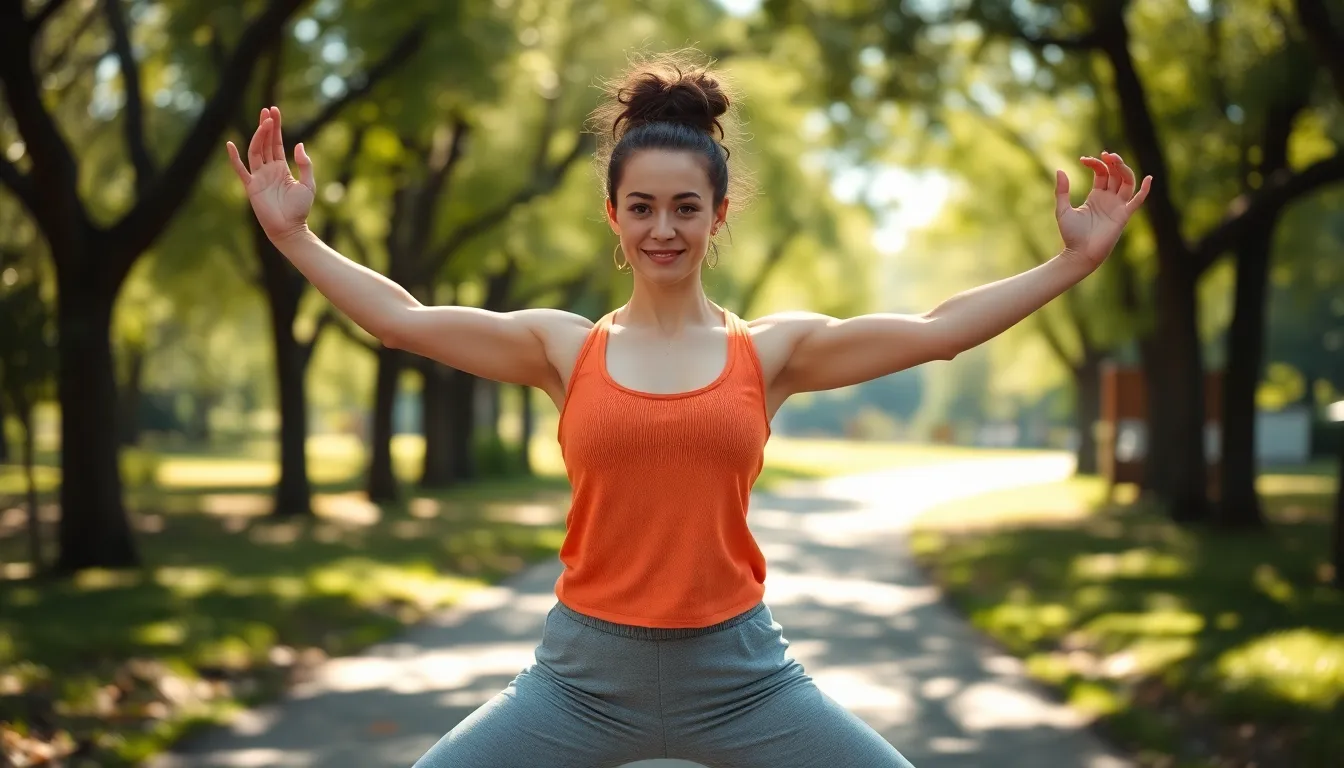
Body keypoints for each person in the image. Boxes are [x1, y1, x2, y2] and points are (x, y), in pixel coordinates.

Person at [226, 50, 1150, 768]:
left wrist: (1071, 262)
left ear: (717, 215)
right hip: (579, 681)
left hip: (740, 678)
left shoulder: (771, 352)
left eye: (683, 207)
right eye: (641, 208)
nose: (662, 227)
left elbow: (936, 328)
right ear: (614, 218)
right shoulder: (566, 346)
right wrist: (294, 234)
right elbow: (406, 320)